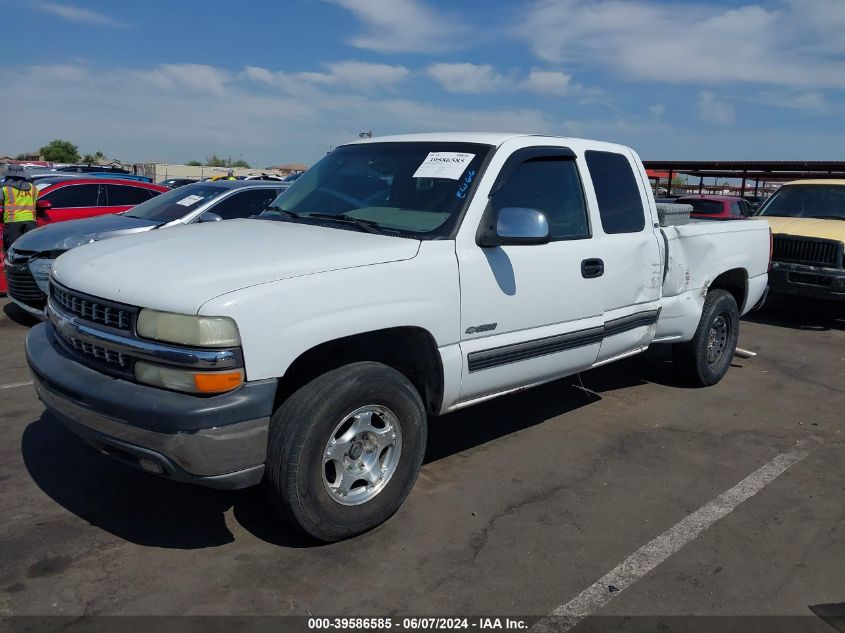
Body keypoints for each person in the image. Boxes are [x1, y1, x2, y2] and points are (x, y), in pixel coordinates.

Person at [1, 164, 38, 252]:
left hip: (12, 222)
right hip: (30, 221)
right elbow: (34, 202)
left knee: (12, 249)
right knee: (30, 249)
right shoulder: (33, 188)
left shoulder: (5, 189)